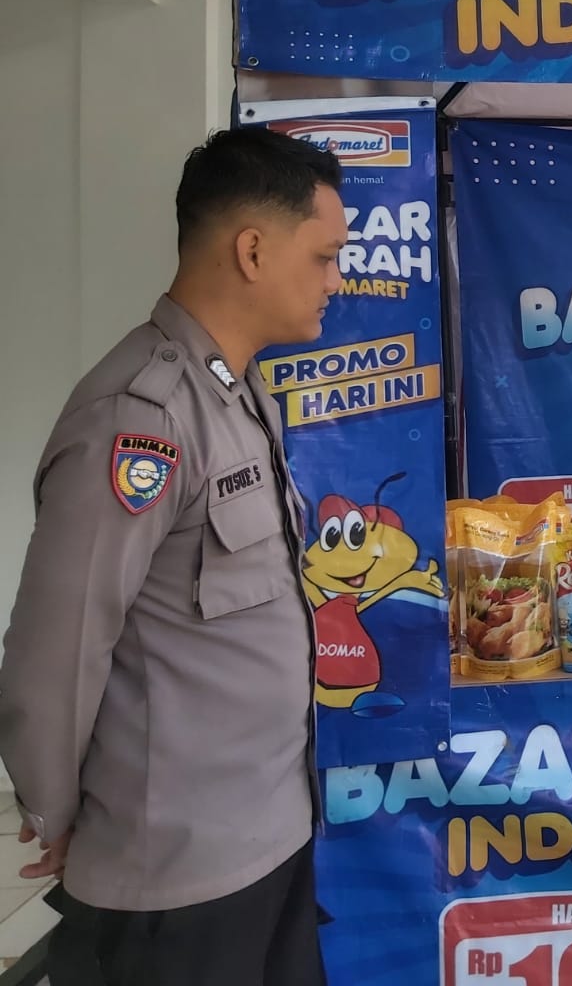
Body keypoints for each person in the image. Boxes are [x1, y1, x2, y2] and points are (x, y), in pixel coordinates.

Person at [0, 127, 348, 986]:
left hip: (270, 837)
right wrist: (61, 814)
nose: (337, 280)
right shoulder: (142, 416)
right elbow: (57, 649)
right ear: (253, 251)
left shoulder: (238, 393)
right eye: (324, 257)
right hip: (174, 877)